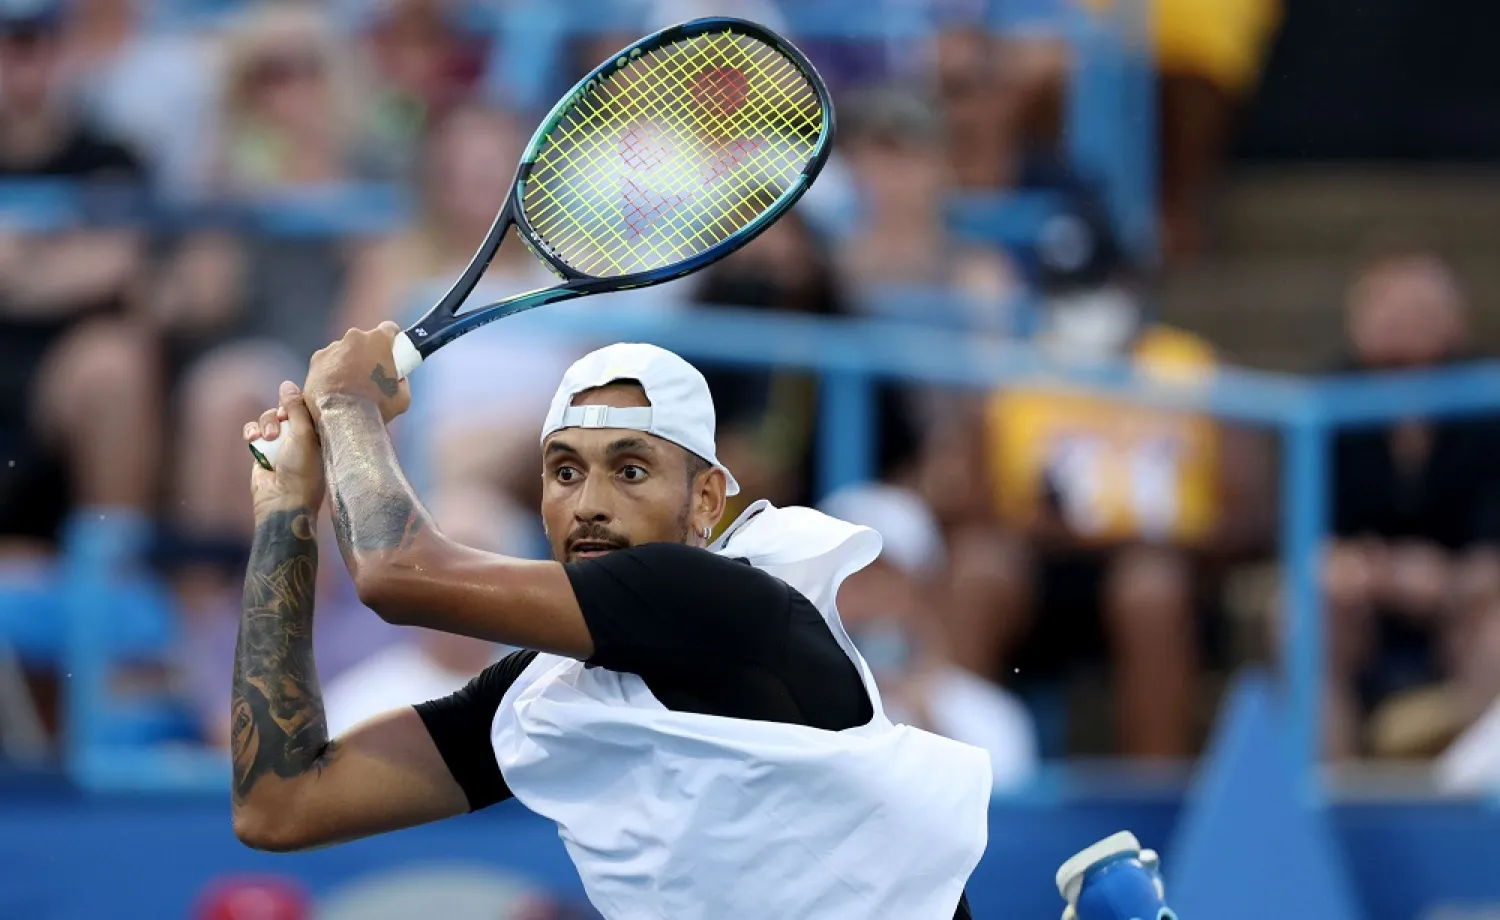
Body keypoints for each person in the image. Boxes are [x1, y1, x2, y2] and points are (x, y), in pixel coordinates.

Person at [232, 331, 992, 918]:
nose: (588, 502)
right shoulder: (541, 689)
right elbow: (282, 804)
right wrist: (284, 510)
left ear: (705, 504)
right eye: (565, 471)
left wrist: (347, 403)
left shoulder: (719, 599)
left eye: (630, 471)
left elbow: (398, 573)